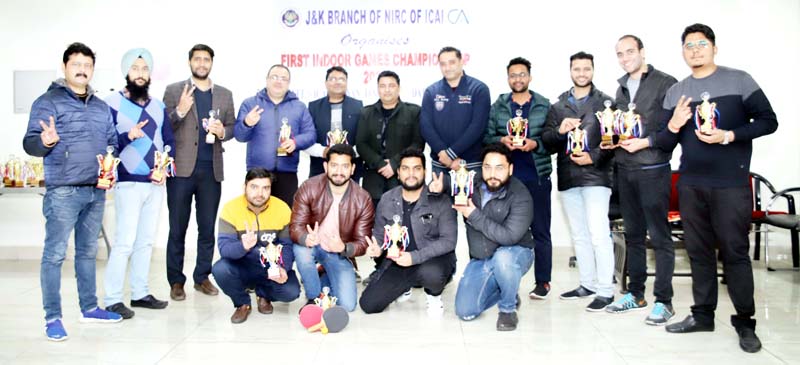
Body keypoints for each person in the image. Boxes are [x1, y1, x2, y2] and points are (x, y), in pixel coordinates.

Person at [656, 23, 778, 353]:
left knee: (735, 252)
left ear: (714, 47)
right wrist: (673, 123)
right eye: (688, 45)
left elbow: (769, 121)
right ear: (682, 51)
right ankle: (702, 315)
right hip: (691, 183)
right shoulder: (676, 91)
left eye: (701, 44)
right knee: (697, 252)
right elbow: (666, 143)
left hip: (730, 183)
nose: (695, 50)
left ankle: (745, 322)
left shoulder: (739, 79)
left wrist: (729, 135)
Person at [23, 42, 122, 341]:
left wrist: (110, 165)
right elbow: (30, 143)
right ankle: (52, 317)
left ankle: (89, 307)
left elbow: (111, 143)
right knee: (54, 255)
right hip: (63, 191)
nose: (82, 69)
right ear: (65, 66)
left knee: (88, 253)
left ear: (92, 70)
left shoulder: (101, 106)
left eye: (87, 65)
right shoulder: (47, 102)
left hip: (96, 191)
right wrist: (46, 141)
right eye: (76, 63)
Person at [603, 35, 679, 325]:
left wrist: (645, 142)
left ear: (642, 52)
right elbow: (621, 128)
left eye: (630, 52)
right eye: (620, 53)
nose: (625, 58)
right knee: (632, 235)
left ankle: (664, 301)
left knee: (659, 237)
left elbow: (672, 131)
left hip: (653, 169)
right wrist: (613, 142)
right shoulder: (621, 88)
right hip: (625, 169)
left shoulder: (665, 82)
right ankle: (635, 293)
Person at [541, 52, 616, 312]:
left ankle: (606, 291)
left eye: (586, 69)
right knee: (580, 236)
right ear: (570, 71)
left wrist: (592, 157)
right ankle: (588, 284)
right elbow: (547, 141)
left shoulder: (607, 102)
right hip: (569, 177)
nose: (581, 73)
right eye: (577, 68)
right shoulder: (558, 105)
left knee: (598, 234)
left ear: (593, 70)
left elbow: (612, 141)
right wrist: (560, 131)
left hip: (596, 176)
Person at [103, 48, 175, 319]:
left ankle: (140, 292)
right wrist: (127, 136)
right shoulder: (111, 103)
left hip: (155, 183)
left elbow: (168, 139)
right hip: (128, 184)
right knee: (124, 242)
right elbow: (106, 146)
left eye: (145, 69)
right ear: (126, 72)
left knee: (145, 241)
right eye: (135, 68)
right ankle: (111, 298)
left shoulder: (158, 105)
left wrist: (167, 161)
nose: (141, 74)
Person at [432, 143, 534, 331]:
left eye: (499, 167)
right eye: (487, 167)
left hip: (516, 253)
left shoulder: (521, 195)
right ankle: (506, 287)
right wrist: (442, 185)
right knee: (465, 311)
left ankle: (507, 308)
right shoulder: (474, 182)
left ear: (510, 169)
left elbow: (510, 237)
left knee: (503, 259)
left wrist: (473, 215)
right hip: (482, 258)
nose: (492, 173)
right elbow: (457, 180)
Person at [162, 44, 235, 301]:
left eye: (206, 60)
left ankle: (201, 277)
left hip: (211, 170)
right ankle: (176, 281)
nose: (202, 64)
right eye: (197, 59)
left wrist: (223, 132)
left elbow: (232, 127)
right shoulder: (174, 91)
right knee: (177, 228)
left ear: (212, 63)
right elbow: (165, 127)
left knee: (206, 228)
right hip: (181, 170)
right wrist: (180, 110)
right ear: (190, 62)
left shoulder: (225, 95)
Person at [484, 57, 554, 299]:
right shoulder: (499, 105)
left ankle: (543, 282)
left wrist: (535, 143)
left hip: (537, 176)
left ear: (530, 77)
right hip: (506, 181)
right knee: (505, 233)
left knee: (541, 231)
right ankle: (505, 282)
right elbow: (487, 136)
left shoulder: (544, 105)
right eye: (513, 75)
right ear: (508, 78)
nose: (518, 79)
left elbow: (552, 140)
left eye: (522, 74)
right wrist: (500, 141)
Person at [358, 148, 456, 315]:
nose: (411, 174)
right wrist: (377, 248)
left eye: (417, 168)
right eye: (405, 169)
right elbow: (380, 234)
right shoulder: (387, 198)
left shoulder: (440, 200)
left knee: (431, 274)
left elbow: (448, 241)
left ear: (425, 171)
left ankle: (433, 295)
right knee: (369, 304)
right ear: (398, 173)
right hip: (400, 262)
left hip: (432, 260)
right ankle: (405, 286)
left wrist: (414, 257)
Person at [290, 144, 374, 312]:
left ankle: (324, 275)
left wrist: (344, 247)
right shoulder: (309, 187)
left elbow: (362, 243)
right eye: (334, 165)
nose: (339, 171)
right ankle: (314, 298)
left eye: (345, 166)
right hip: (312, 246)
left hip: (338, 253)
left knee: (348, 306)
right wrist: (306, 238)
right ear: (325, 166)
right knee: (301, 251)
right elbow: (295, 226)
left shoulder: (363, 199)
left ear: (353, 169)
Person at [211, 168, 300, 323]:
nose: (260, 193)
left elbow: (287, 245)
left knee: (291, 292)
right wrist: (243, 246)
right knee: (220, 269)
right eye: (254, 187)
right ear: (244, 187)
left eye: (265, 188)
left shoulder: (282, 208)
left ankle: (263, 294)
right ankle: (242, 303)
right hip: (242, 265)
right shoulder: (230, 209)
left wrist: (282, 268)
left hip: (270, 268)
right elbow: (224, 248)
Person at [235, 64, 316, 205]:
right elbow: (239, 136)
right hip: (257, 174)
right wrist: (247, 123)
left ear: (289, 83)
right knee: (256, 217)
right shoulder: (250, 104)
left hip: (287, 173)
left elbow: (311, 134)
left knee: (285, 219)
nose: (279, 81)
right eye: (274, 77)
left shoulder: (299, 107)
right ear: (266, 80)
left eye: (284, 78)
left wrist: (295, 142)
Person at [420, 46, 490, 176]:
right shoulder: (431, 91)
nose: (447, 67)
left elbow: (477, 126)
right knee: (439, 197)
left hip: (470, 164)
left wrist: (451, 154)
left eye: (452, 62)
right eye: (443, 64)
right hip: (440, 164)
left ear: (461, 62)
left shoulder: (479, 89)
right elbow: (426, 127)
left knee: (471, 197)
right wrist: (443, 154)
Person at [305, 66, 363, 179]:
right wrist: (323, 151)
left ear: (346, 83)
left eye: (341, 79)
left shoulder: (358, 106)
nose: (337, 82)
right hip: (320, 168)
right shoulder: (313, 107)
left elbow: (363, 139)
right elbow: (307, 138)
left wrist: (349, 153)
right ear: (326, 83)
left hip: (350, 168)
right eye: (333, 79)